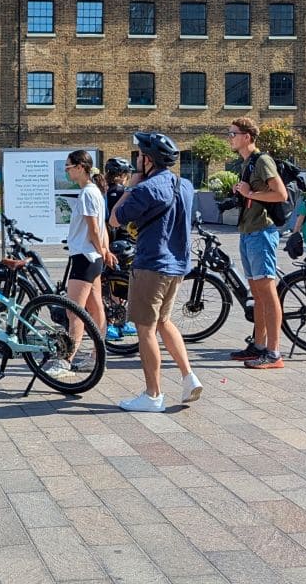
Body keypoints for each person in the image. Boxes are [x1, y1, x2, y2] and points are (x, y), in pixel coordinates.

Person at [109, 132, 202, 412]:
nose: (137, 159)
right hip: (177, 265)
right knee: (164, 321)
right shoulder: (184, 185)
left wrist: (130, 187)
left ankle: (153, 395)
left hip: (151, 265)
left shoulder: (144, 189)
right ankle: (188, 377)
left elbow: (115, 217)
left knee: (145, 329)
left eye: (139, 155)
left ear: (148, 160)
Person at [46, 151, 117, 377]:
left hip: (84, 257)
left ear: (80, 167)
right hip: (92, 257)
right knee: (96, 308)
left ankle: (66, 361)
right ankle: (97, 357)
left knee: (73, 311)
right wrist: (104, 251)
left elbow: (94, 228)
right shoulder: (95, 192)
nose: (66, 171)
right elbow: (102, 227)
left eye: (68, 167)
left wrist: (101, 249)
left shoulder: (87, 193)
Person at [226, 117, 289, 369]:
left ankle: (274, 353)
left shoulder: (262, 161)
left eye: (233, 134)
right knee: (258, 294)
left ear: (247, 137)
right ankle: (259, 345)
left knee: (267, 292)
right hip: (248, 231)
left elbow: (280, 194)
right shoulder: (246, 164)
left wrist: (249, 193)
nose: (229, 137)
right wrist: (241, 193)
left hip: (261, 232)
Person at [104, 157, 132, 240]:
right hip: (122, 235)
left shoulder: (101, 190)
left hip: (105, 234)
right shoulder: (125, 192)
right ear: (123, 175)